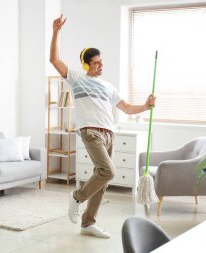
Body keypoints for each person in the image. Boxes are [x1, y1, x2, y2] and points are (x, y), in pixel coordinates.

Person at [50, 14, 156, 239]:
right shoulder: (77, 78)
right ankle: (77, 197)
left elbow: (126, 107)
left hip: (109, 134)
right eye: (96, 62)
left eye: (101, 61)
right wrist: (56, 32)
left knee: (103, 179)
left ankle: (88, 223)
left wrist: (146, 107)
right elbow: (54, 60)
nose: (101, 65)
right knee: (109, 171)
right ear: (86, 64)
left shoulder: (108, 86)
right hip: (91, 131)